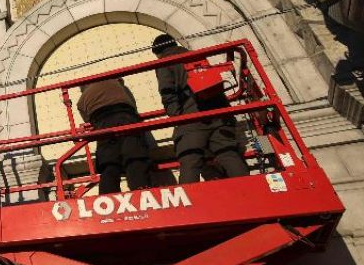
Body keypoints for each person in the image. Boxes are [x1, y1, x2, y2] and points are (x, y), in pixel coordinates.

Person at [152, 34, 249, 183]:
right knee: (228, 153)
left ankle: (191, 196)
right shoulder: (195, 55)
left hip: (193, 115)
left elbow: (168, 93)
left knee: (189, 158)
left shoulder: (165, 61)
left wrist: (178, 117)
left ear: (159, 52)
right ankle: (250, 188)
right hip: (220, 112)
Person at [77, 79, 152, 194]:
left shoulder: (81, 100)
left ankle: (108, 194)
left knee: (109, 163)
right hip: (126, 115)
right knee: (134, 156)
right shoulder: (115, 81)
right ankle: (141, 189)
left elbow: (89, 121)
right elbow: (131, 102)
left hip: (102, 122)